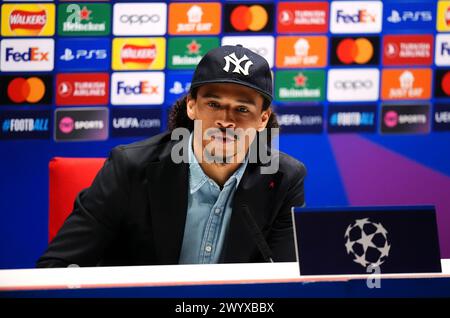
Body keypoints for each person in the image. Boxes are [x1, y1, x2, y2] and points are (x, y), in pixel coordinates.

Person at [36, 45, 306, 267]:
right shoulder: (130, 167)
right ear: (191, 106)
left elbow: (287, 278)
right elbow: (55, 267)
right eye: (213, 104)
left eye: (242, 109)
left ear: (263, 119)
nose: (226, 121)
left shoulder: (283, 179)